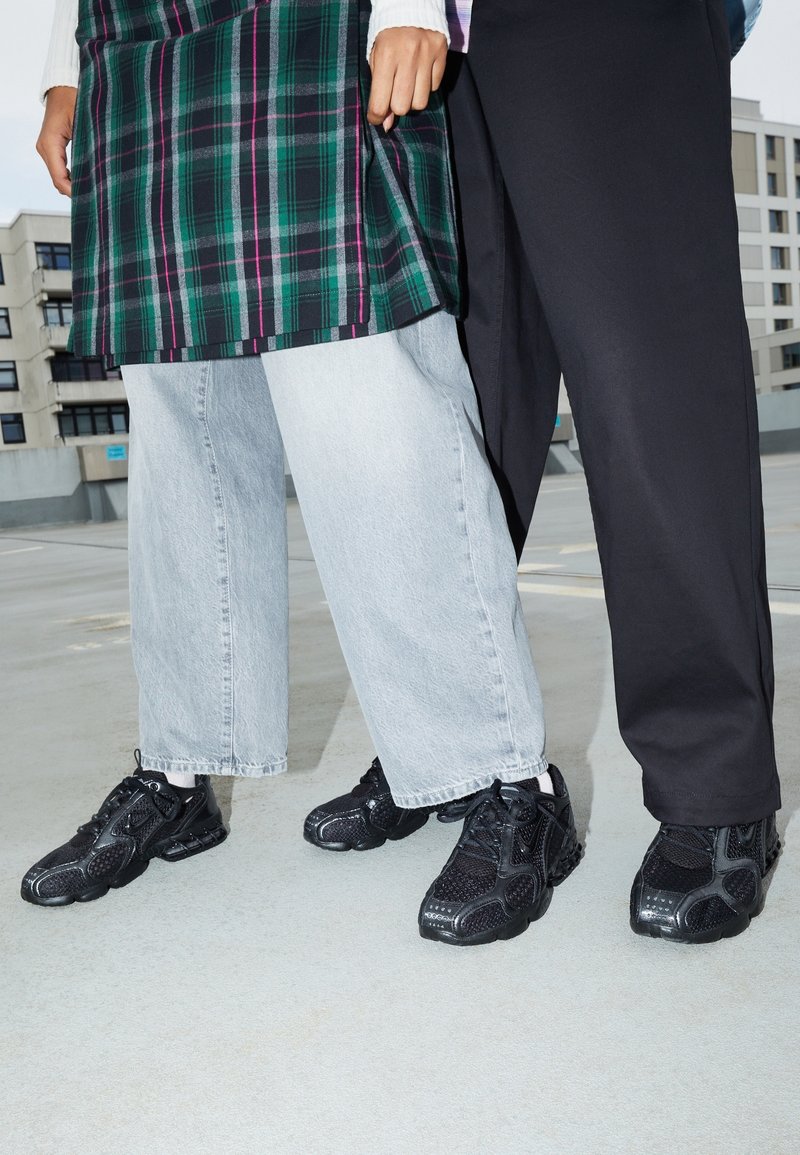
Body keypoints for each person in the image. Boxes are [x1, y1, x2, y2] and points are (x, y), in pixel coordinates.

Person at [23, 0, 582, 948]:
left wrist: (409, 4)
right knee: (182, 434)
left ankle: (506, 776)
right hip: (137, 59)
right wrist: (64, 64)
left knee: (375, 418)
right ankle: (179, 768)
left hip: (305, 39)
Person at [304, 0, 784, 945]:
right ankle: (456, 742)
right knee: (460, 409)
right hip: (445, 38)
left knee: (648, 383)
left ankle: (714, 782)